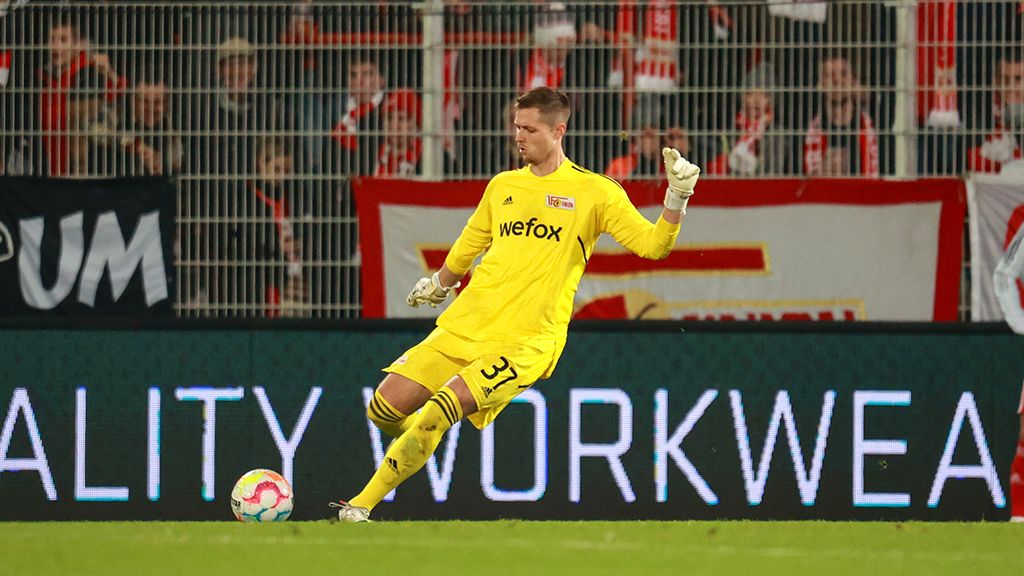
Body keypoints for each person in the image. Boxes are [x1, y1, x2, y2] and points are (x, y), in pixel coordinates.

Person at [331, 86, 700, 522]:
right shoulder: (503, 186)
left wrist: (676, 198)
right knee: (384, 408)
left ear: (558, 130)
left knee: (438, 411)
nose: (519, 137)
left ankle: (359, 506)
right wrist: (440, 282)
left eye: (529, 129)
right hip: (468, 323)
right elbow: (471, 241)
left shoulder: (596, 192)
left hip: (526, 341)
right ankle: (411, 444)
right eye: (516, 127)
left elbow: (653, 246)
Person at [803, 55, 880, 177]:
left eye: (843, 74)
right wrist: (818, 174)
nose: (836, 80)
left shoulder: (874, 122)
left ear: (855, 82)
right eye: (829, 75)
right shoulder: (806, 126)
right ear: (820, 86)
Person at [968, 49, 1023, 174]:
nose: (1010, 85)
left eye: (1018, 79)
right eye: (1005, 79)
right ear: (995, 81)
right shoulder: (982, 113)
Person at [374, 89, 422, 177]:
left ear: (417, 124)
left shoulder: (428, 159)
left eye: (401, 118)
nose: (394, 125)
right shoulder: (373, 153)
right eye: (389, 118)